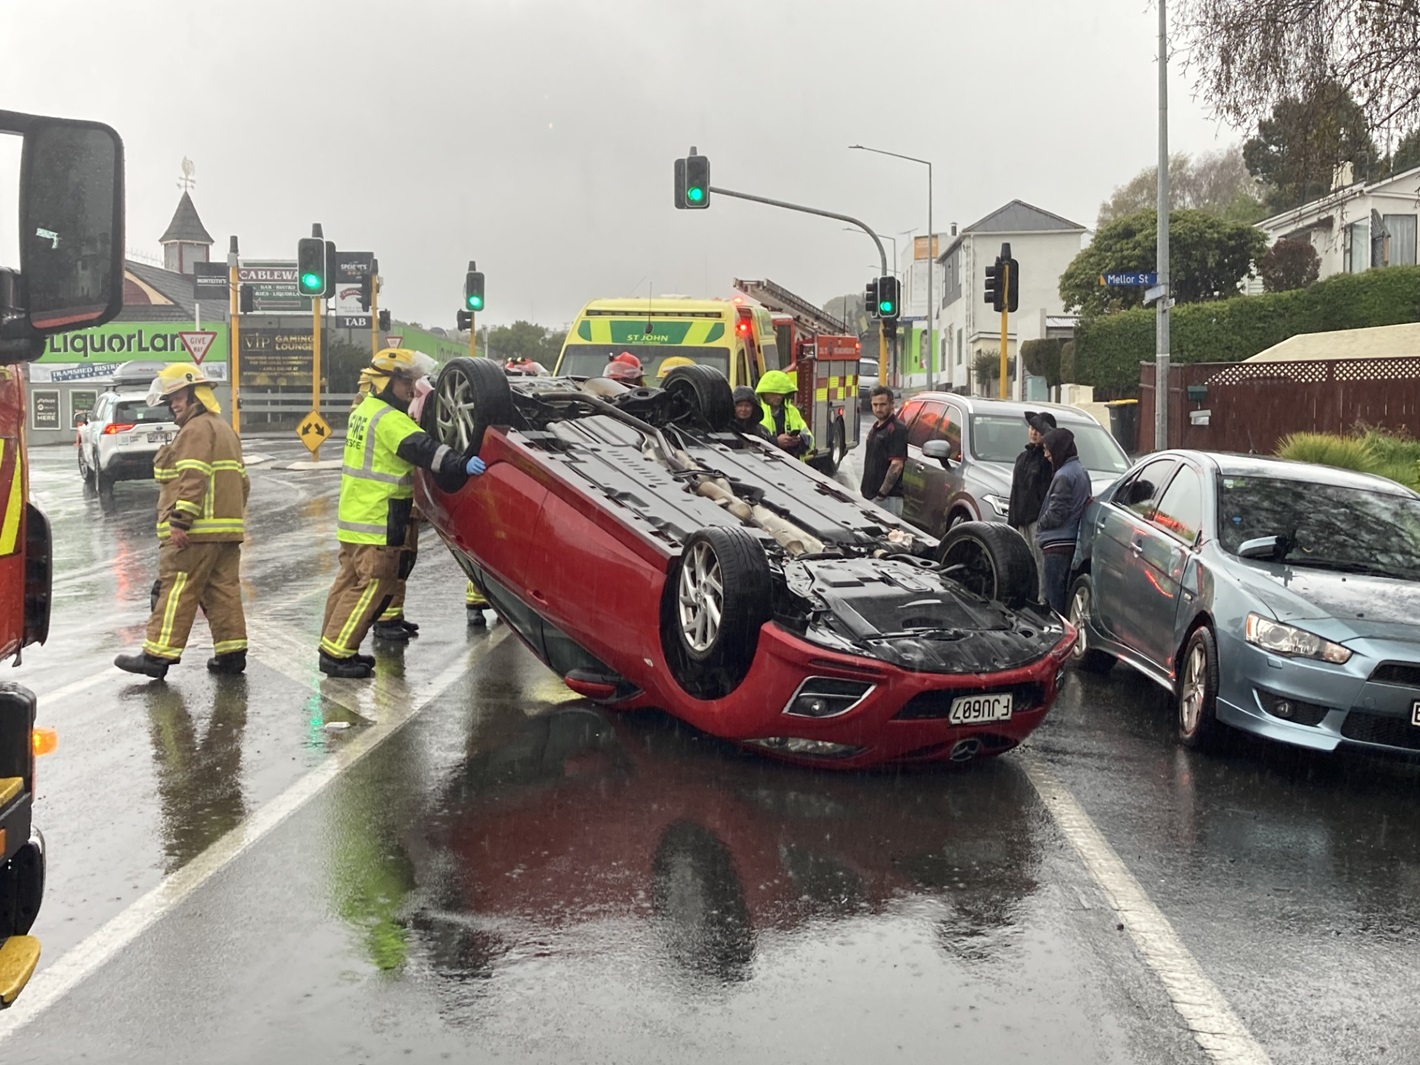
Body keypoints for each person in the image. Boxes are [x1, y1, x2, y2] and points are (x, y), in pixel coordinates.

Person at [319, 348, 486, 678]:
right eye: (406, 382)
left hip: (356, 518)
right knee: (372, 586)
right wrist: (460, 462)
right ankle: (338, 655)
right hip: (378, 519)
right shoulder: (388, 418)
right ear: (386, 383)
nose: (412, 389)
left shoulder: (364, 410)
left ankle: (332, 645)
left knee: (348, 583)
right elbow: (423, 450)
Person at [115, 364, 250, 679]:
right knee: (223, 591)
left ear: (196, 394)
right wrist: (229, 521)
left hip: (196, 532)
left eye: (178, 396)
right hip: (225, 532)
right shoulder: (224, 429)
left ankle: (157, 656)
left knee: (176, 589)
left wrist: (181, 519)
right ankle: (231, 655)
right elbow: (242, 483)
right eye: (170, 399)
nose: (173, 404)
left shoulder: (195, 429)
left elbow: (193, 477)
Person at [1036, 426, 1092, 615]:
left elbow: (1057, 512)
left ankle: (1058, 639)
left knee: (1054, 601)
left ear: (1058, 449)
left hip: (1057, 545)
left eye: (1048, 450)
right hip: (1068, 541)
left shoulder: (1064, 475)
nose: (1046, 455)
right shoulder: (1079, 470)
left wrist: (1041, 524)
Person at [1008, 410, 1057, 600]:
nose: (1033, 432)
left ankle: (1040, 599)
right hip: (1020, 519)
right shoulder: (1023, 457)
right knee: (1022, 562)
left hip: (1037, 520)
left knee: (1040, 563)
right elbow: (1015, 490)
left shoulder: (1048, 460)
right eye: (1031, 428)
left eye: (1038, 429)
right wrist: (1012, 522)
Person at [859, 386, 907, 516]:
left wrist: (881, 494)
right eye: (875, 404)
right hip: (871, 497)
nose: (878, 409)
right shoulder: (876, 428)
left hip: (887, 500)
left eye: (882, 404)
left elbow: (896, 465)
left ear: (892, 404)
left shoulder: (897, 429)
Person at [754, 370, 812, 457]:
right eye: (775, 393)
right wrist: (776, 442)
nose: (778, 397)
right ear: (764, 392)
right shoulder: (755, 411)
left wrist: (799, 440)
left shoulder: (792, 411)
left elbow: (810, 440)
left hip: (792, 466)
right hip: (765, 466)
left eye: (782, 393)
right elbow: (751, 443)